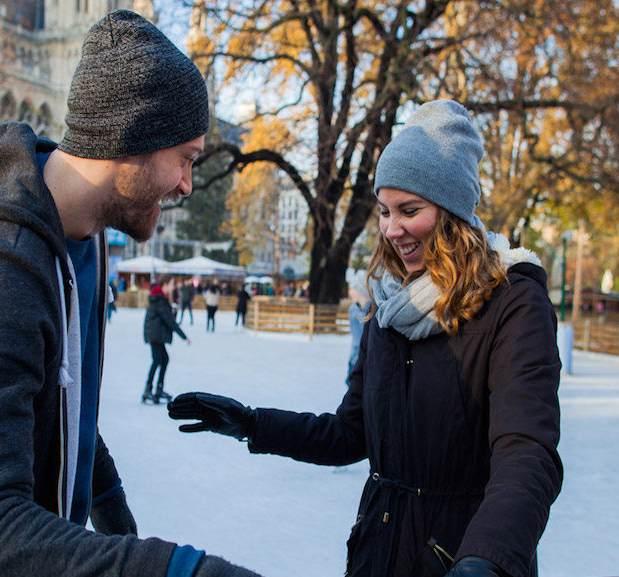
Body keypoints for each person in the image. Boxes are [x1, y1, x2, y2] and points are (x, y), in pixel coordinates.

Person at [0, 10, 261, 577]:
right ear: (133, 136)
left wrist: (110, 506)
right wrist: (179, 570)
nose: (188, 185)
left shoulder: (83, 241)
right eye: (185, 159)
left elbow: (59, 402)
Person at [168, 100, 563, 577]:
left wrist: (486, 561)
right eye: (383, 211)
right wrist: (254, 423)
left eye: (409, 210)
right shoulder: (390, 305)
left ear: (453, 209)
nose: (392, 229)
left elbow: (526, 455)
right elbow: (351, 432)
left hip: (462, 560)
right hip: (379, 552)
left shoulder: (513, 303)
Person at [143, 275, 191, 404]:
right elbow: (169, 320)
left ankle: (158, 389)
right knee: (158, 360)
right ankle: (148, 390)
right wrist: (184, 336)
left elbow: (168, 317)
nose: (173, 287)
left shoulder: (161, 298)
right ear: (165, 284)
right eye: (171, 284)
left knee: (163, 360)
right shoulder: (159, 299)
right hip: (155, 335)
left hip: (157, 335)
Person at [346, 269, 370, 385]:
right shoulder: (353, 309)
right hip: (354, 358)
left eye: (352, 288)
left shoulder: (372, 311)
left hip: (366, 361)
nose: (349, 291)